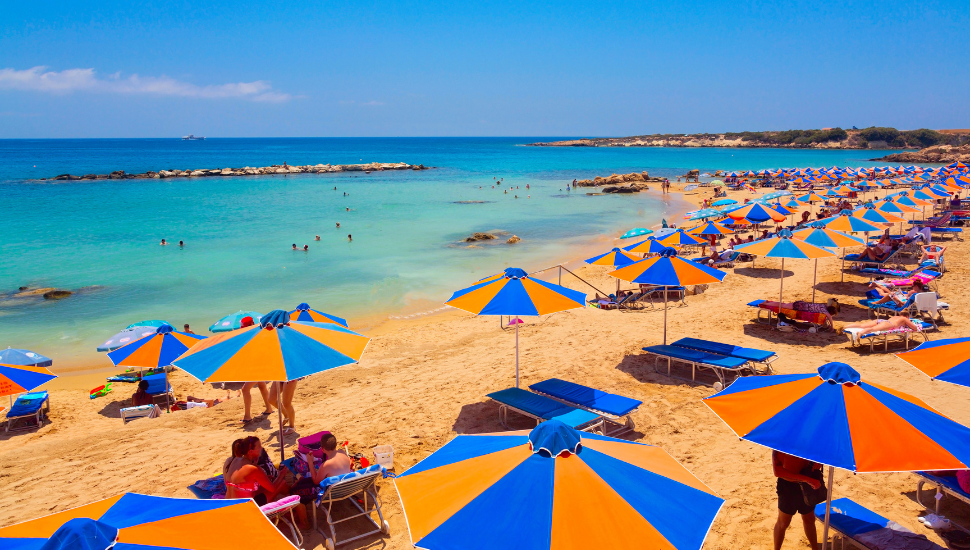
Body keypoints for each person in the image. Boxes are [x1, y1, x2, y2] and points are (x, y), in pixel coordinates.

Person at [772, 450, 821, 550]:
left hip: (808, 483)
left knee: (809, 519)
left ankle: (815, 548)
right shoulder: (781, 442)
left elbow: (824, 450)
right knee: (784, 522)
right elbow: (777, 471)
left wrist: (819, 460)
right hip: (788, 486)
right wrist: (807, 480)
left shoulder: (810, 438)